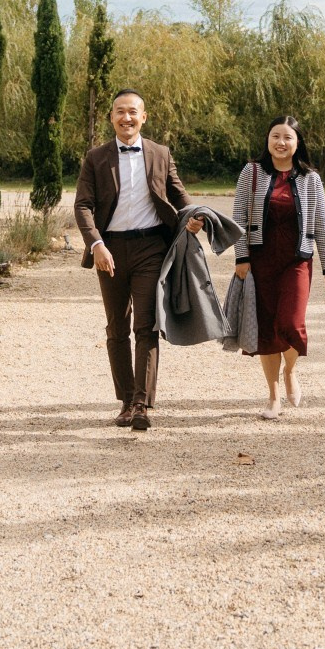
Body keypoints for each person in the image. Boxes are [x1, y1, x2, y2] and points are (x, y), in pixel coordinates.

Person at [74, 88, 203, 432]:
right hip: (110, 250)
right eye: (120, 111)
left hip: (150, 248)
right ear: (111, 117)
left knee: (145, 326)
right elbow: (83, 205)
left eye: (133, 111)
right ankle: (126, 400)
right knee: (117, 328)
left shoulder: (160, 153)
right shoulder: (96, 158)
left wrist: (194, 215)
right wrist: (96, 244)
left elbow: (177, 193)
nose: (126, 117)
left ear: (143, 117)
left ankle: (142, 404)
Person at [232, 117, 325, 419]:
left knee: (291, 323)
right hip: (260, 261)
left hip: (297, 261)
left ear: (297, 142)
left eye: (287, 137)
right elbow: (238, 217)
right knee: (266, 328)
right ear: (268, 140)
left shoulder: (310, 179)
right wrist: (241, 257)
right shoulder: (252, 172)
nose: (281, 142)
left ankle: (290, 370)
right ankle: (273, 395)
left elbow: (322, 223)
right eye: (275, 136)